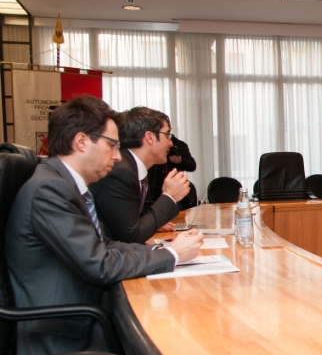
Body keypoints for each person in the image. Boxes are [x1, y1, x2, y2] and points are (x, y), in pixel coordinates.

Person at [5, 95, 203, 355]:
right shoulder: (49, 189)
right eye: (112, 145)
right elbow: (99, 264)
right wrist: (173, 255)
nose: (118, 157)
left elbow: (103, 244)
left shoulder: (63, 183)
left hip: (83, 313)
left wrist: (163, 251)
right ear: (81, 142)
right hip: (63, 330)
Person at [90, 107, 191, 243]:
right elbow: (132, 235)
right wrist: (170, 196)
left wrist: (152, 223)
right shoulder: (121, 171)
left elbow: (131, 222)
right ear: (149, 137)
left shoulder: (130, 166)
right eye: (167, 135)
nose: (170, 143)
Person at [148, 134, 198, 210]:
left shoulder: (180, 145)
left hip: (176, 191)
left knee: (176, 214)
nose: (170, 144)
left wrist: (181, 160)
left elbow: (192, 166)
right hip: (154, 190)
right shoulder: (154, 145)